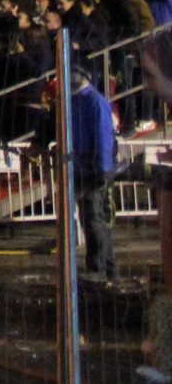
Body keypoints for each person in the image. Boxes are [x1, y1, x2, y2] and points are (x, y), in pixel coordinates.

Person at [57, 62, 120, 280]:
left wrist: (102, 169)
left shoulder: (95, 101)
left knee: (94, 219)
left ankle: (98, 269)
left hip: (93, 168)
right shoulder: (74, 101)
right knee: (92, 219)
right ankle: (108, 270)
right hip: (83, 167)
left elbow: (104, 137)